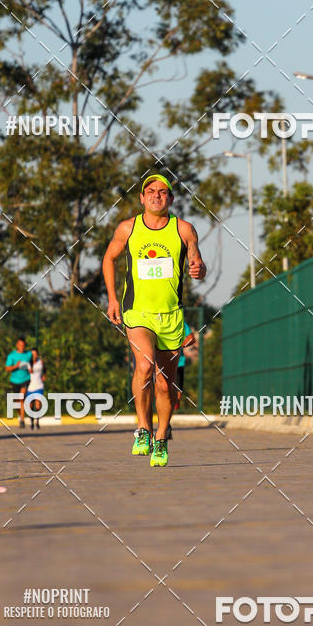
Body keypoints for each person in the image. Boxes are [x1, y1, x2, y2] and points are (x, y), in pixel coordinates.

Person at [103, 174, 206, 467]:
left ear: (171, 199)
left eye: (163, 192)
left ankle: (161, 437)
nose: (156, 196)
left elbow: (197, 261)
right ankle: (142, 428)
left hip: (171, 316)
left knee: (165, 384)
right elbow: (108, 259)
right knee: (145, 365)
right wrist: (112, 298)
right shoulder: (128, 228)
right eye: (150, 191)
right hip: (137, 313)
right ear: (141, 198)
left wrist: (199, 268)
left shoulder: (184, 229)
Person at [5, 337, 32, 427]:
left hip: (26, 379)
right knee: (17, 401)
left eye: (23, 345)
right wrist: (16, 366)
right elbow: (7, 368)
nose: (22, 347)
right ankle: (20, 416)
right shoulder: (12, 356)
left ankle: (22, 420)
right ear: (17, 345)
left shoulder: (28, 354)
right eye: (20, 345)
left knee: (21, 397)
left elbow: (34, 362)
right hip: (15, 381)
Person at [25, 347, 46, 430]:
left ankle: (37, 421)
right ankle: (31, 421)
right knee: (30, 404)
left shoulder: (40, 362)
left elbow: (45, 370)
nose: (34, 355)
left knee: (37, 403)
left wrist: (44, 376)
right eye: (32, 354)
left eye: (35, 354)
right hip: (30, 386)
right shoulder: (27, 364)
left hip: (39, 385)